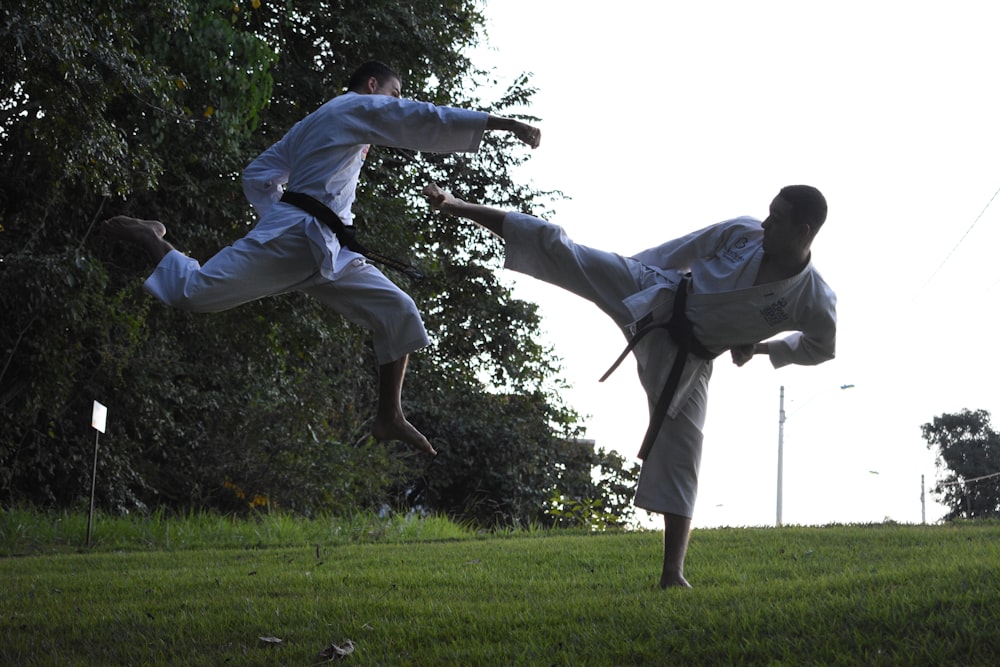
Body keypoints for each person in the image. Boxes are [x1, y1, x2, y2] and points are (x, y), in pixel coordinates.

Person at [101, 61, 541, 457]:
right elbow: (422, 118)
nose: (397, 102)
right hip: (295, 239)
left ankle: (389, 415)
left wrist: (292, 212)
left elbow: (257, 174)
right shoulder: (354, 106)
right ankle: (151, 236)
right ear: (372, 85)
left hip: (330, 250)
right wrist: (501, 123)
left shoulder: (314, 122)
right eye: (393, 92)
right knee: (193, 293)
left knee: (399, 311)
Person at [421, 182, 836, 587]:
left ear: (804, 231)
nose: (765, 224)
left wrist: (759, 348)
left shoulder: (814, 299)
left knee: (683, 453)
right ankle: (458, 205)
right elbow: (682, 251)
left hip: (690, 357)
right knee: (559, 246)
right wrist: (626, 273)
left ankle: (672, 573)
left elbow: (820, 347)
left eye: (777, 220)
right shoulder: (744, 232)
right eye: (768, 213)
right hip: (658, 293)